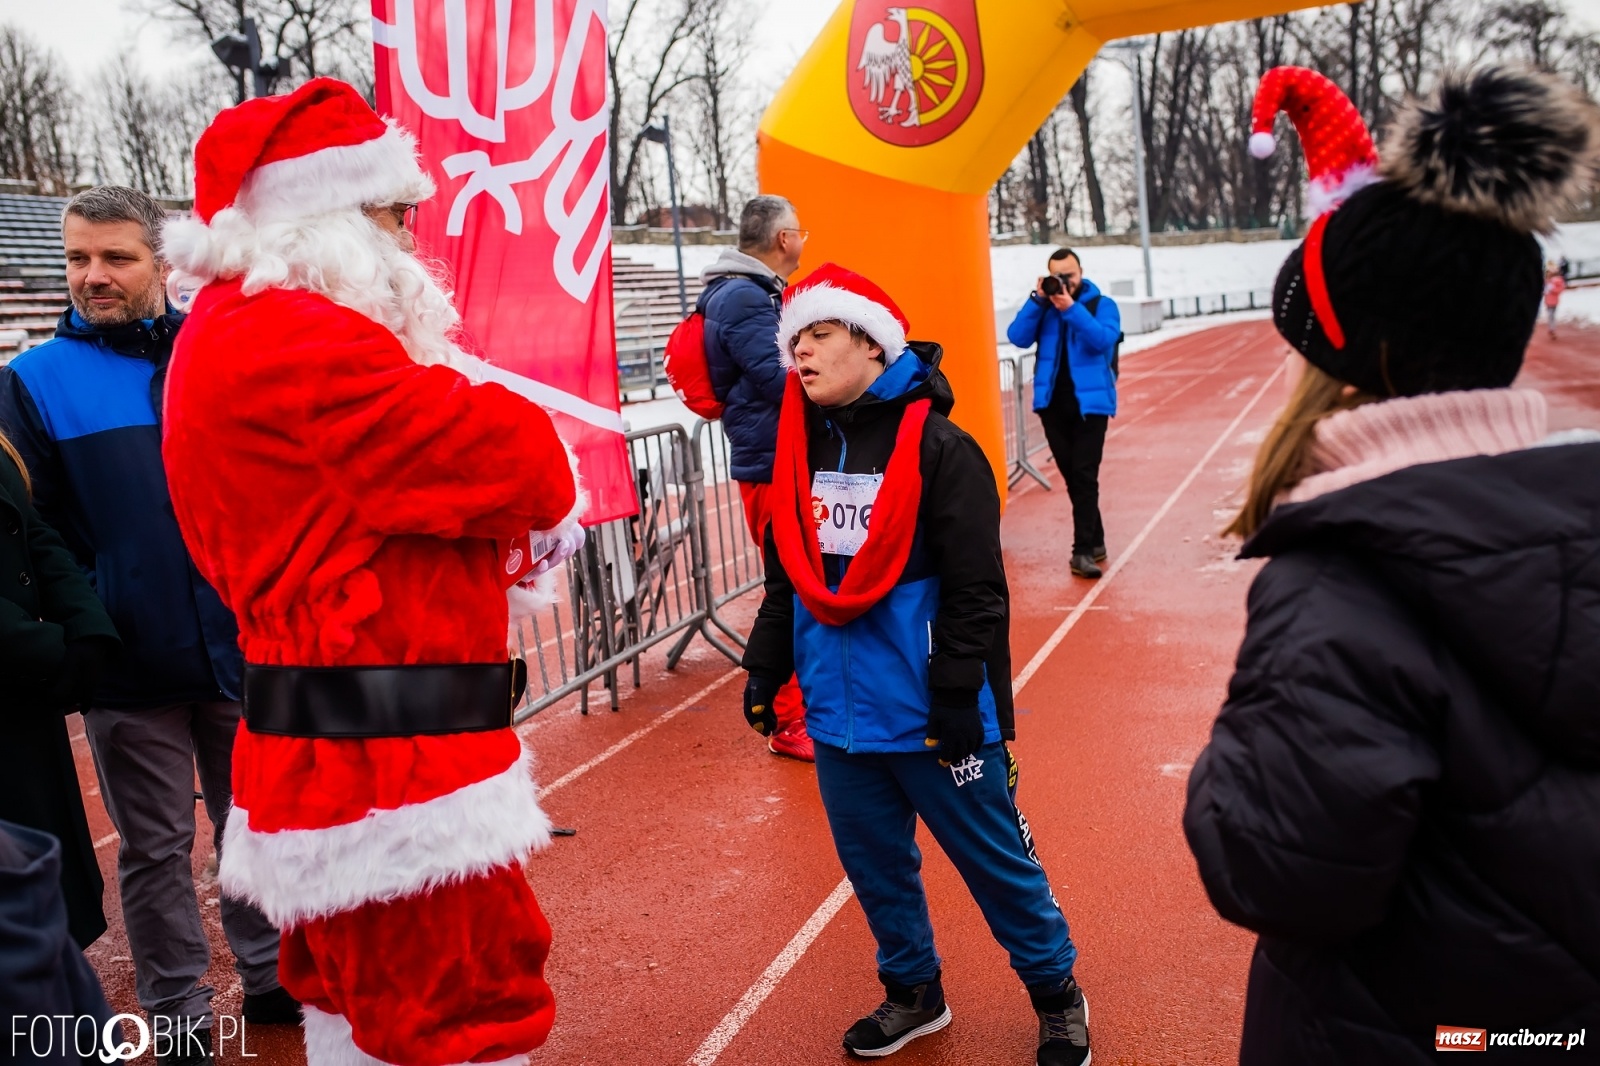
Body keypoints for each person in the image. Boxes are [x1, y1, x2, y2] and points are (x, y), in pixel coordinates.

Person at [159, 78, 586, 1066]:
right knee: (461, 1010)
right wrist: (539, 476)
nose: (407, 241)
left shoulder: (239, 328)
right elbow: (507, 452)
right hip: (391, 762)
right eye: (392, 212)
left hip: (340, 742)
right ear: (330, 216)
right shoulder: (296, 335)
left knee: (360, 1008)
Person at [1184, 66, 1600, 1064]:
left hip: (1402, 1029)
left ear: (1347, 367)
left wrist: (1218, 778)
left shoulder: (1341, 582)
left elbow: (1276, 870)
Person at [740, 263, 1091, 1066]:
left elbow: (977, 589)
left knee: (998, 865)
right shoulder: (799, 446)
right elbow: (785, 576)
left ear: (870, 341)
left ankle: (1056, 993)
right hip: (836, 711)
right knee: (875, 868)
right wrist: (766, 670)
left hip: (932, 708)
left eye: (820, 335)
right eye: (794, 340)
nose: (802, 353)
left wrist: (960, 694)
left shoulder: (942, 447)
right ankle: (914, 991)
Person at [0, 185, 293, 1063]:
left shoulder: (215, 350)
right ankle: (177, 1009)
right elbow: (32, 530)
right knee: (157, 847)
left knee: (257, 822)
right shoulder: (32, 383)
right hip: (132, 662)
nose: (94, 276)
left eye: (115, 258)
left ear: (162, 264)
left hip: (240, 643)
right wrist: (97, 620)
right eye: (78, 259)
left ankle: (271, 974)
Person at [700, 193, 813, 760]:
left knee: (799, 585)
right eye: (801, 233)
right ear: (783, 238)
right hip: (771, 464)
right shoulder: (745, 296)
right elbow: (781, 378)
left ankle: (798, 708)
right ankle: (789, 720)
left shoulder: (747, 292)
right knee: (789, 589)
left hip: (774, 459)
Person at [0, 427, 119, 951]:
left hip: (20, 696)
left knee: (42, 894)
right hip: (18, 670)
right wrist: (46, 647)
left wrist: (86, 627)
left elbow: (31, 527)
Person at [1005, 249, 1120, 579]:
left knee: (1084, 476)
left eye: (1070, 275)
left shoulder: (1102, 305)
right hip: (1052, 406)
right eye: (1058, 276)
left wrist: (1071, 309)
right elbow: (1017, 337)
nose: (1065, 283)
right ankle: (1095, 541)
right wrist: (1037, 300)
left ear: (1081, 271)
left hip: (1091, 406)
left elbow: (1103, 340)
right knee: (1074, 478)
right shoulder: (1044, 308)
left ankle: (1081, 552)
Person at [1544, 260, 1567, 337]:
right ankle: (1551, 328)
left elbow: (1560, 289)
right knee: (1550, 315)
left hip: (1554, 300)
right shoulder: (1546, 281)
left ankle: (1552, 328)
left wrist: (1552, 289)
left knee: (1552, 315)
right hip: (1548, 301)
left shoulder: (1557, 280)